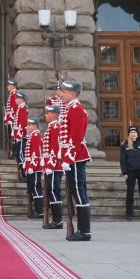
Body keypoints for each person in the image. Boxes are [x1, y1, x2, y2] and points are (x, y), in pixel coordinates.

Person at [58, 80, 92, 242]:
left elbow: (76, 137)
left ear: (72, 93)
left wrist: (69, 158)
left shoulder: (76, 109)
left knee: (79, 191)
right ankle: (81, 229)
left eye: (64, 92)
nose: (61, 94)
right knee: (76, 191)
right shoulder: (69, 108)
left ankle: (84, 231)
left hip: (76, 157)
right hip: (71, 157)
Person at [120, 126, 140, 222]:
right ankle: (129, 214)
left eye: (135, 132)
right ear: (129, 134)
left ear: (137, 134)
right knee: (130, 193)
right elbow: (123, 160)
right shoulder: (124, 145)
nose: (133, 134)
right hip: (130, 172)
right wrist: (124, 172)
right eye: (131, 132)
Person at [42, 105, 64, 229]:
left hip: (55, 166)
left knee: (54, 191)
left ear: (54, 114)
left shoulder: (55, 127)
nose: (45, 115)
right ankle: (56, 220)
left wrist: (50, 165)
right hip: (50, 166)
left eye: (48, 113)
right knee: (51, 191)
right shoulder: (51, 128)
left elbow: (55, 149)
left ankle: (58, 221)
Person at [23, 117, 44, 219]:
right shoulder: (32, 136)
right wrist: (26, 164)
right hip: (31, 167)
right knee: (33, 188)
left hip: (35, 168)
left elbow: (36, 153)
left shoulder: (36, 136)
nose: (28, 127)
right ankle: (37, 210)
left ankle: (39, 211)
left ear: (35, 125)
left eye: (29, 125)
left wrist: (32, 165)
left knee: (36, 188)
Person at [13, 92, 28, 182]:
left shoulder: (23, 108)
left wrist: (19, 134)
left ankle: (25, 173)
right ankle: (23, 174)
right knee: (18, 154)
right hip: (19, 136)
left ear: (21, 99)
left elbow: (23, 123)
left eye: (17, 98)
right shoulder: (20, 108)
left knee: (21, 154)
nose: (15, 100)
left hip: (21, 136)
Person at [3, 78, 18, 157]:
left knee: (13, 138)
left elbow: (14, 109)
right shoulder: (12, 94)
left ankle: (14, 153)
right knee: (11, 137)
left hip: (13, 121)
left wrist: (10, 119)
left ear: (13, 86)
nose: (7, 87)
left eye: (9, 85)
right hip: (10, 120)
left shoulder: (14, 94)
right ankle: (14, 152)